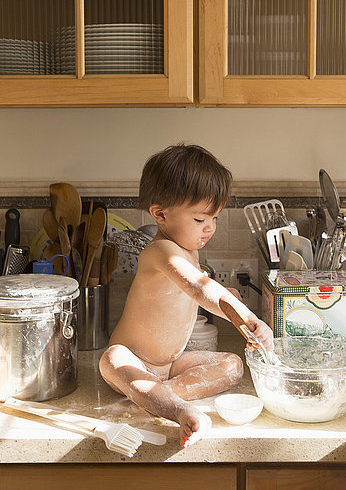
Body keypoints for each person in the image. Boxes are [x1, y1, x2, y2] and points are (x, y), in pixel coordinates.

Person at [99, 144, 274, 448]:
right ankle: (178, 408)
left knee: (233, 365)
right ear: (160, 214)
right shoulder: (160, 251)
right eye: (199, 220)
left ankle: (155, 395)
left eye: (214, 219)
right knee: (110, 359)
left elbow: (198, 294)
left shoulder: (189, 250)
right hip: (133, 359)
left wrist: (234, 306)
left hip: (170, 366)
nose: (209, 229)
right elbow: (199, 288)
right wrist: (248, 317)